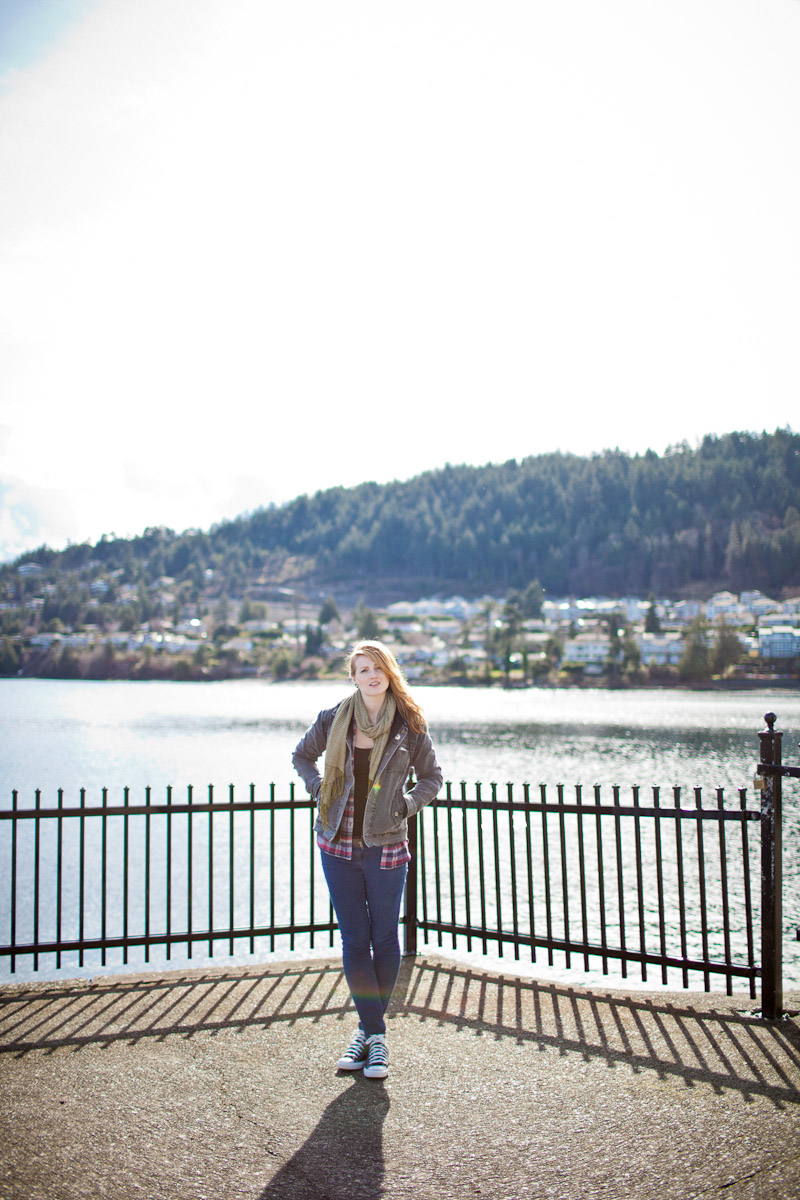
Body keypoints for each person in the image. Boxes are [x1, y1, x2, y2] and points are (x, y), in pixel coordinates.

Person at [292, 640, 442, 1079]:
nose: (371, 675)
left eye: (377, 667)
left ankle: (368, 1035)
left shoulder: (408, 725)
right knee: (355, 940)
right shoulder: (333, 719)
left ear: (388, 672)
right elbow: (302, 756)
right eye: (362, 669)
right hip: (336, 844)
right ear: (353, 677)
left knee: (386, 937)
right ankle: (374, 1035)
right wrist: (319, 789)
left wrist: (406, 806)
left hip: (387, 845)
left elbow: (432, 777)